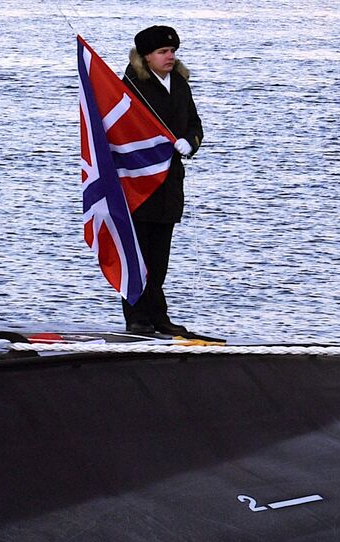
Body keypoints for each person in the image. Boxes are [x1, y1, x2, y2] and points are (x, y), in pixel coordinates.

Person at [121, 25, 204, 336]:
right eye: (163, 52)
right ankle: (137, 317)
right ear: (147, 57)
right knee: (138, 255)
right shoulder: (130, 87)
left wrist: (190, 142)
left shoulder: (180, 85)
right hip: (138, 183)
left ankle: (158, 317)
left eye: (173, 51)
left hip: (169, 183)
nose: (170, 56)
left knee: (159, 259)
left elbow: (194, 122)